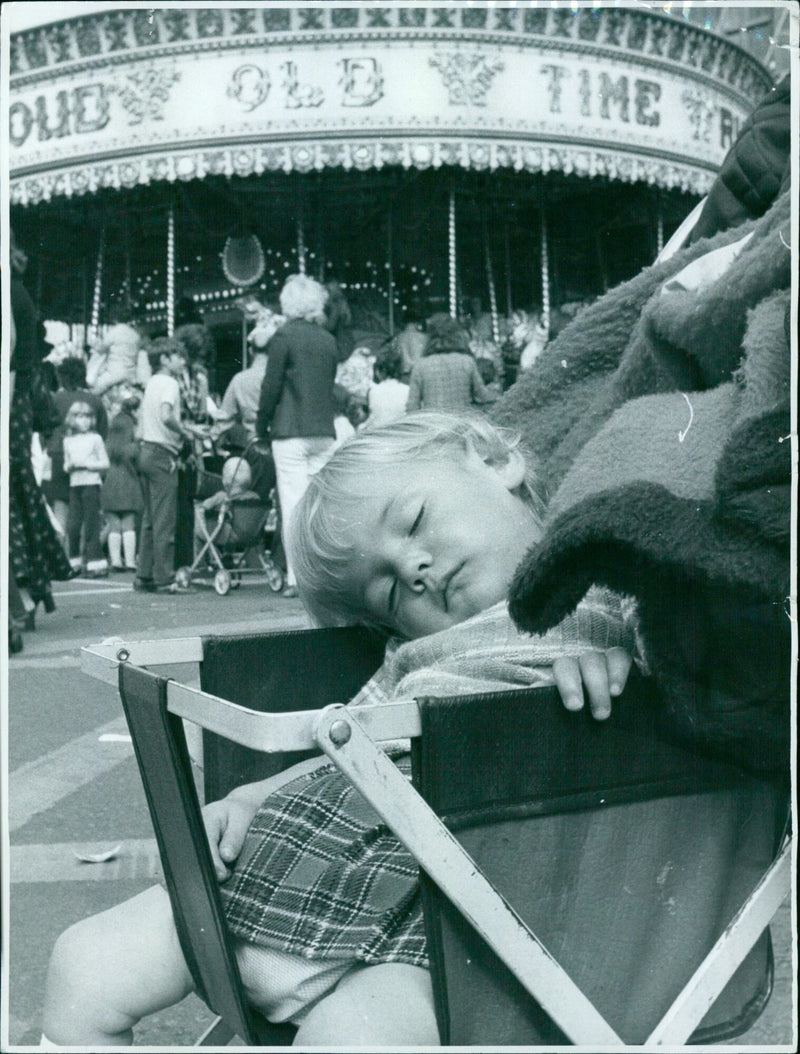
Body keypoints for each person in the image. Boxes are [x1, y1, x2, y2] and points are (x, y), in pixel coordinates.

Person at [42, 413, 636, 1048]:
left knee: (351, 1034)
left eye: (412, 521)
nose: (413, 568)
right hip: (280, 884)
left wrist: (632, 670)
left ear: (494, 463)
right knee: (82, 962)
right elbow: (344, 748)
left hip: (442, 935)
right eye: (386, 594)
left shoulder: (609, 595)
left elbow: (701, 655)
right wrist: (251, 797)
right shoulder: (419, 655)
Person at [255, 273, 339, 599]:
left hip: (290, 430)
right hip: (323, 430)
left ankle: (297, 578)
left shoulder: (284, 336)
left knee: (293, 505)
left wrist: (261, 426)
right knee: (320, 507)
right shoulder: (328, 339)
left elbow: (271, 386)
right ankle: (323, 577)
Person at [7, 228, 73, 631]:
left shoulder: (9, 289)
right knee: (17, 488)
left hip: (10, 395)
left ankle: (21, 593)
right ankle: (27, 590)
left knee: (11, 491)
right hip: (19, 399)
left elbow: (12, 351)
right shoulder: (16, 288)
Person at [134, 337, 194, 594]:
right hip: (163, 454)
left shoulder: (151, 383)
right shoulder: (170, 383)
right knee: (165, 520)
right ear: (165, 359)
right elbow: (166, 415)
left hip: (146, 451)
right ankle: (166, 578)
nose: (183, 360)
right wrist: (186, 433)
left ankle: (144, 575)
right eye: (178, 355)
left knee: (150, 518)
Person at [45, 356, 108, 540]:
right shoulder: (94, 401)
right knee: (85, 511)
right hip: (87, 460)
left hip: (58, 454)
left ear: (62, 376)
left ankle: (62, 555)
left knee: (61, 507)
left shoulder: (55, 399)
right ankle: (81, 556)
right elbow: (103, 432)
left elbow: (45, 429)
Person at [406, 314, 497, 412]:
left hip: (433, 423)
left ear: (430, 336)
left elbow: (412, 407)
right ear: (456, 334)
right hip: (462, 422)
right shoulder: (467, 361)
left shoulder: (420, 365)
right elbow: (482, 395)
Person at [62, 400, 110, 577]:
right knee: (73, 525)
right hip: (75, 484)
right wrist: (69, 466)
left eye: (88, 417)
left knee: (91, 524)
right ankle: (74, 561)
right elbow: (65, 464)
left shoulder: (95, 439)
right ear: (72, 419)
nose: (84, 421)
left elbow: (105, 463)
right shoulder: (68, 441)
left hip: (91, 484)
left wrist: (89, 465)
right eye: (80, 417)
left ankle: (94, 562)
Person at [101, 388, 143, 572]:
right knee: (129, 523)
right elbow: (137, 456)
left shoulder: (109, 442)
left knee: (114, 524)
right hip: (129, 483)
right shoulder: (132, 445)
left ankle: (116, 560)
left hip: (110, 481)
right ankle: (130, 561)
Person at [193, 456, 260, 552]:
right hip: (251, 536)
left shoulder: (222, 497)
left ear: (225, 479)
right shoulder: (254, 497)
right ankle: (226, 557)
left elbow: (203, 507)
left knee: (198, 525)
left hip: (228, 535)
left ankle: (202, 561)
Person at [363, 348, 409, 429]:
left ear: (378, 371)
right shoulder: (407, 390)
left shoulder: (373, 391)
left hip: (379, 433)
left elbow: (373, 418)